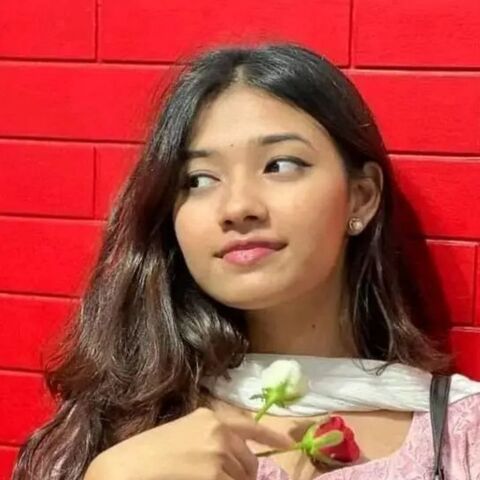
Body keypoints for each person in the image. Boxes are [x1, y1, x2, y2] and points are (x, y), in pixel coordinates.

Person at [12, 41, 480, 480]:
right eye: (199, 179)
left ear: (361, 197)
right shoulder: (106, 428)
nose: (237, 207)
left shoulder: (458, 437)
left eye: (280, 165)